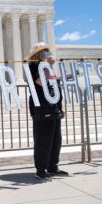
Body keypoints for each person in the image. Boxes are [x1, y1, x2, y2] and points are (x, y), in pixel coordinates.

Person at [27, 42, 68, 181]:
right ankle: (40, 170)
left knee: (56, 139)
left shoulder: (47, 67)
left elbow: (54, 84)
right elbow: (39, 82)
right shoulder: (33, 66)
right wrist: (47, 66)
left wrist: (61, 105)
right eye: (44, 50)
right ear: (38, 53)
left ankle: (52, 166)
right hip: (42, 107)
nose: (46, 52)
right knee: (43, 139)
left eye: (46, 50)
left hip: (54, 106)